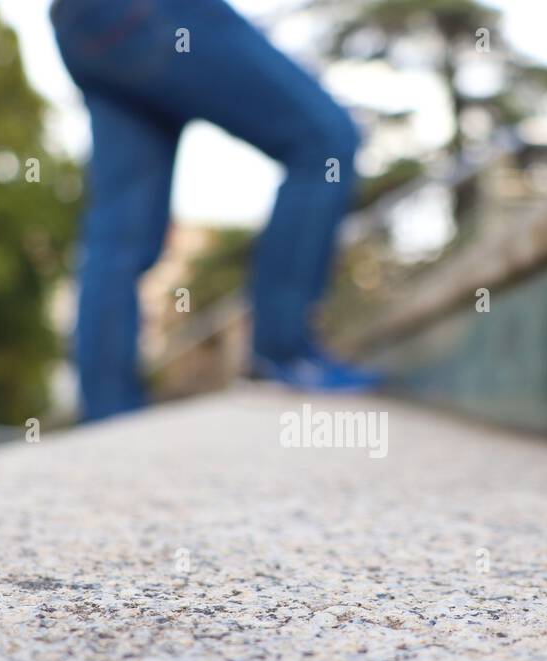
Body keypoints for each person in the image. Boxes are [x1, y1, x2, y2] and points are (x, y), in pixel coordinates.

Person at [51, 0, 383, 421]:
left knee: (119, 240)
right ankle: (284, 356)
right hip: (154, 13)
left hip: (82, 22)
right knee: (324, 141)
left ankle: (106, 413)